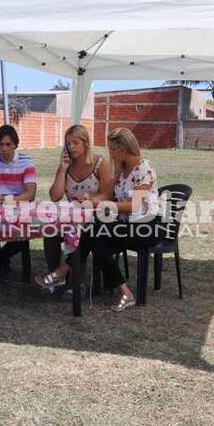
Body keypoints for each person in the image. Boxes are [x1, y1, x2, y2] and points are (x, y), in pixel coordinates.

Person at [85, 127, 164, 312]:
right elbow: (108, 195)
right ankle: (124, 290)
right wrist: (90, 200)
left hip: (147, 226)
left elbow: (135, 205)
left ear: (125, 147)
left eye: (113, 148)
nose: (110, 153)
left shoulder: (145, 168)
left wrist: (105, 206)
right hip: (127, 224)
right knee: (92, 233)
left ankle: (65, 274)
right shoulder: (121, 170)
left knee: (95, 235)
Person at [34, 124, 113, 290]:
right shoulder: (67, 165)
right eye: (68, 143)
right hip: (70, 215)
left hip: (95, 216)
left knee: (78, 231)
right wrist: (62, 170)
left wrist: (89, 198)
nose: (71, 147)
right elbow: (55, 196)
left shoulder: (100, 163)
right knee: (50, 229)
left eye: (75, 143)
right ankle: (56, 277)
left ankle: (75, 283)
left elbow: (107, 194)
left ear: (85, 143)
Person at [0, 124, 37, 280]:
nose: (4, 148)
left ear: (15, 145)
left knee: (25, 230)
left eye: (8, 144)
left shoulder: (26, 162)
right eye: (0, 144)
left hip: (17, 204)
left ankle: (0, 261)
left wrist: (8, 200)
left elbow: (30, 193)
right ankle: (3, 261)